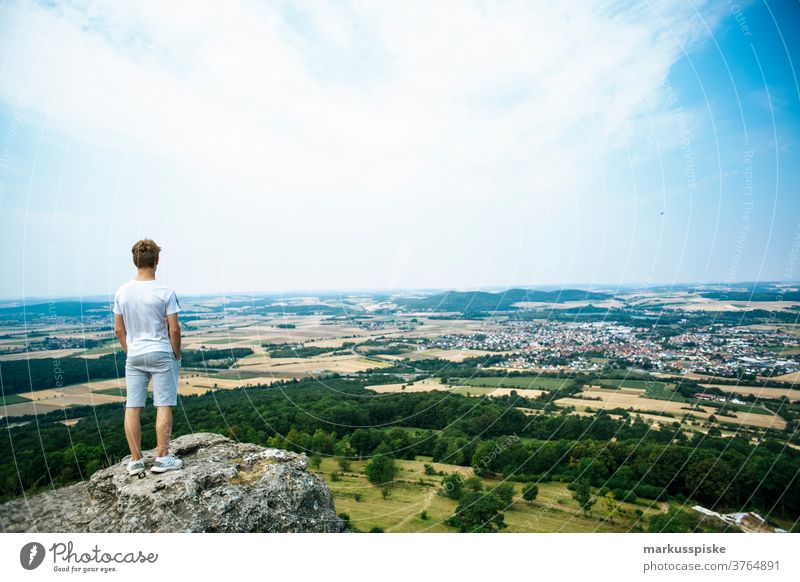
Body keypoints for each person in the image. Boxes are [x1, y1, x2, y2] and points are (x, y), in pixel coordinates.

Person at [113, 239, 183, 476]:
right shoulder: (165, 291)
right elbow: (174, 329)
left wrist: (128, 349)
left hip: (134, 354)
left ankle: (135, 460)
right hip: (161, 352)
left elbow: (118, 329)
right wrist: (176, 352)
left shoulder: (122, 292)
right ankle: (162, 457)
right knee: (163, 404)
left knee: (132, 406)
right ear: (157, 261)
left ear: (136, 261)